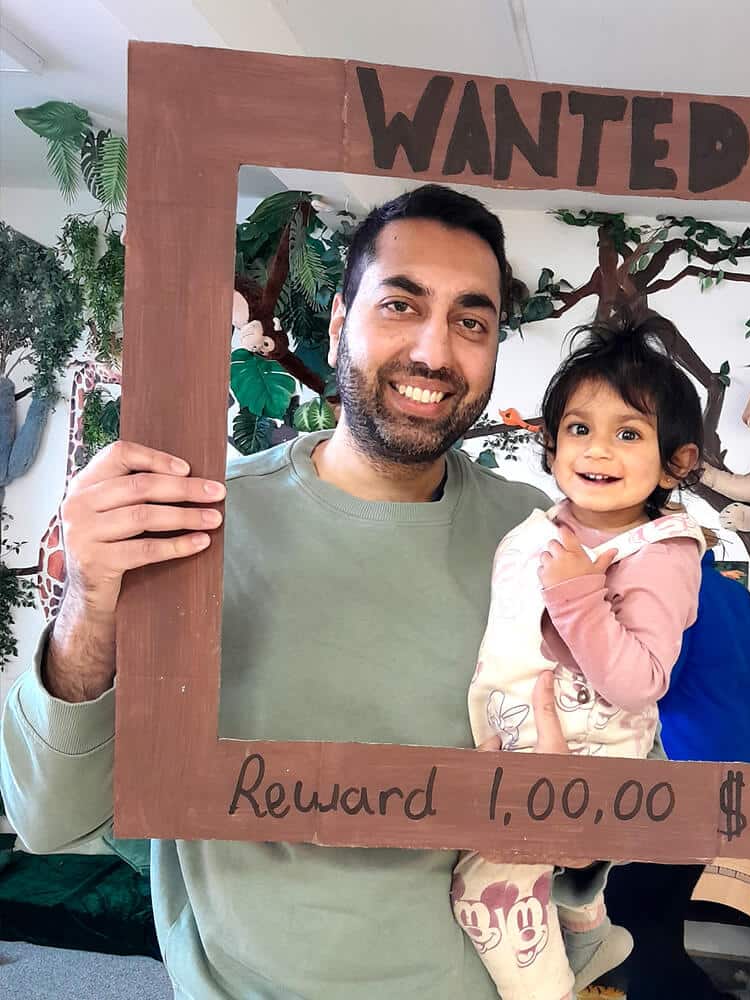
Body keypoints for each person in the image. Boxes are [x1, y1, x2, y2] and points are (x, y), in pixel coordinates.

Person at [0, 185, 624, 1000]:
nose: (435, 352)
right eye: (401, 304)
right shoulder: (196, 521)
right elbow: (48, 818)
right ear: (337, 323)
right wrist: (88, 600)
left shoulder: (547, 545)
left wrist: (581, 817)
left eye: (472, 321)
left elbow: (599, 819)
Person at [453, 317, 708, 1000]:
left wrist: (576, 594)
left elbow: (637, 683)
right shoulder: (552, 524)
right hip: (518, 740)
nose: (599, 449)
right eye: (579, 428)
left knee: (485, 891)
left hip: (584, 758)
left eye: (629, 433)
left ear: (676, 462)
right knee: (525, 872)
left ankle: (552, 991)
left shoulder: (660, 555)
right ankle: (583, 917)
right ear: (550, 440)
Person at [602, 552, 750, 1000]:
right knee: (659, 906)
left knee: (631, 907)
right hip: (742, 773)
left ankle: (687, 992)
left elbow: (654, 679)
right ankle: (688, 989)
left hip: (684, 777)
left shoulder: (669, 592)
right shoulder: (730, 590)